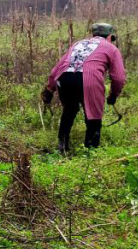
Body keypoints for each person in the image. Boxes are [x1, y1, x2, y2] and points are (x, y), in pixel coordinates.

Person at [41, 22, 126, 153]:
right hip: (89, 79)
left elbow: (58, 68)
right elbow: (119, 78)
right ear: (109, 37)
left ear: (94, 35)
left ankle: (62, 146)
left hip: (64, 78)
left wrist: (49, 89)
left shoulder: (78, 44)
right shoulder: (111, 48)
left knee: (69, 110)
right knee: (93, 114)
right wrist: (113, 95)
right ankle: (91, 151)